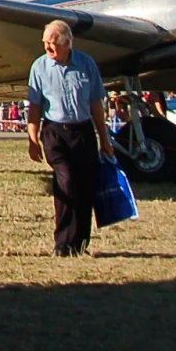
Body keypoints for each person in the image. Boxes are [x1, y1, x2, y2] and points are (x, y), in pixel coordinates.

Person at [25, 21, 109, 257]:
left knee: (84, 187)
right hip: (54, 133)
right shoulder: (39, 68)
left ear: (66, 43)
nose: (47, 48)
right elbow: (34, 106)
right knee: (66, 181)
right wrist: (32, 138)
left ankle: (80, 243)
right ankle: (62, 243)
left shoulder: (86, 64)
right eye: (44, 43)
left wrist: (104, 139)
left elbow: (96, 104)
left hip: (82, 131)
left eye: (51, 43)